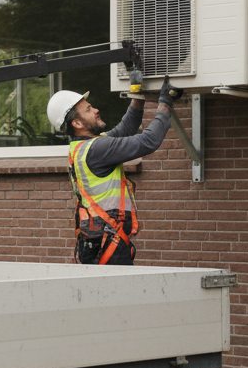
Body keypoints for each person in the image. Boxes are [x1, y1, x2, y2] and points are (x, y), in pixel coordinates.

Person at [45, 76, 183, 265]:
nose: (96, 110)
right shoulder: (97, 149)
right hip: (109, 242)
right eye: (88, 110)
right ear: (77, 123)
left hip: (100, 240)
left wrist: (137, 95)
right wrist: (166, 102)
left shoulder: (85, 147)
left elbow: (126, 128)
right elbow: (148, 141)